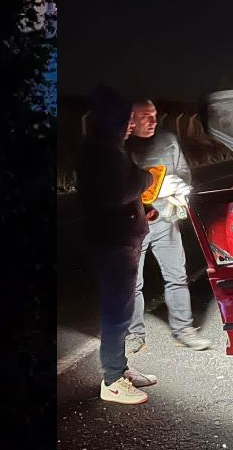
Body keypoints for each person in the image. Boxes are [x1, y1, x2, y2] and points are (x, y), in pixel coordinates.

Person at [76, 85, 158, 405]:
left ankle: (119, 368)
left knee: (120, 310)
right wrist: (144, 178)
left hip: (119, 239)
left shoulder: (107, 147)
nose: (129, 126)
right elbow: (111, 194)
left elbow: (116, 195)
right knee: (117, 313)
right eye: (125, 120)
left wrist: (141, 210)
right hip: (113, 245)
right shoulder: (102, 151)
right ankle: (112, 380)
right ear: (112, 121)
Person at [125, 99, 211, 352]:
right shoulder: (121, 146)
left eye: (154, 115)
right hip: (133, 226)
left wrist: (179, 190)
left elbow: (184, 173)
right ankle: (134, 334)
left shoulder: (168, 140)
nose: (152, 121)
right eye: (144, 116)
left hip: (166, 221)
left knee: (176, 276)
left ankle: (184, 328)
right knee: (132, 284)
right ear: (130, 118)